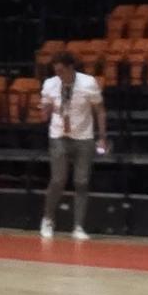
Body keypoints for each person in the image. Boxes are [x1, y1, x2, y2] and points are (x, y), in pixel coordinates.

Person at [38, 52, 106, 239]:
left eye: (61, 71)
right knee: (58, 179)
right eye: (56, 71)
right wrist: (45, 110)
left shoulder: (88, 83)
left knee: (81, 182)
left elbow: (99, 110)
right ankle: (48, 219)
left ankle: (78, 226)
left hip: (83, 136)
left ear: (70, 68)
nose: (58, 74)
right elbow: (43, 114)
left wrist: (102, 137)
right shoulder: (50, 84)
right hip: (59, 134)